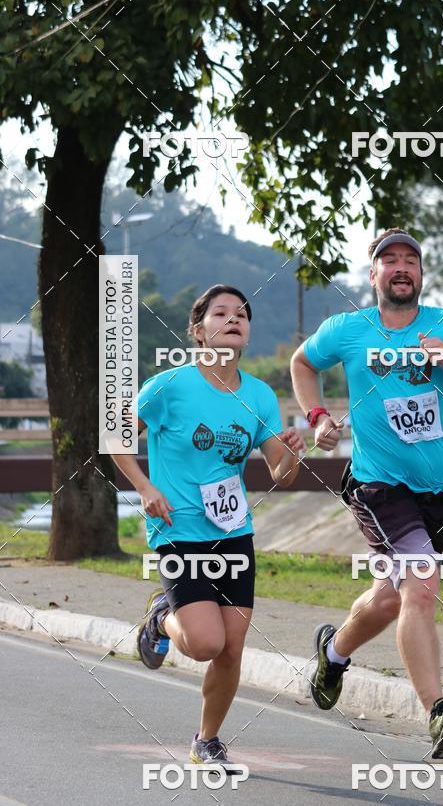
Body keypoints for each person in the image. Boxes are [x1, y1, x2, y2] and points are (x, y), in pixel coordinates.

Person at [290, 229, 443, 761]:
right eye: (388, 259)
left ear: (420, 274)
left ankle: (333, 654)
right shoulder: (348, 329)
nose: (400, 267)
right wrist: (318, 416)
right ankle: (438, 711)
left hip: (439, 492)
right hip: (377, 486)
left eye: (410, 260)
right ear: (373, 275)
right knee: (422, 585)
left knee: (391, 599)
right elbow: (302, 363)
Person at [111, 285, 304, 772]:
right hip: (177, 529)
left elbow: (281, 474)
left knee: (231, 648)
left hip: (233, 531)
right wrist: (145, 488)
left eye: (242, 314)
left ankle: (207, 740)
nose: (234, 319)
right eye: (221, 313)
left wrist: (294, 451)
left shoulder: (259, 395)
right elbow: (114, 437)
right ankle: (160, 617)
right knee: (204, 644)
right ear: (198, 331)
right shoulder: (169, 386)